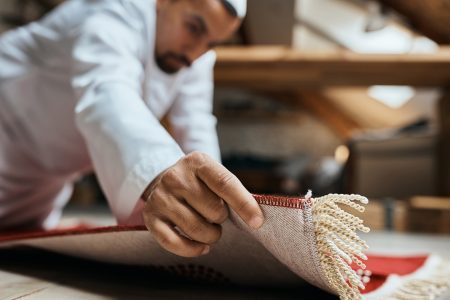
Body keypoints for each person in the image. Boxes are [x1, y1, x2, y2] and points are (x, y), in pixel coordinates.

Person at [0, 0, 264, 257]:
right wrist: (159, 173)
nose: (196, 52)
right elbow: (106, 93)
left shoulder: (194, 56)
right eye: (194, 28)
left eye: (212, 44)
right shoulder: (113, 11)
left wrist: (215, 205)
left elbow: (197, 124)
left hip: (45, 186)